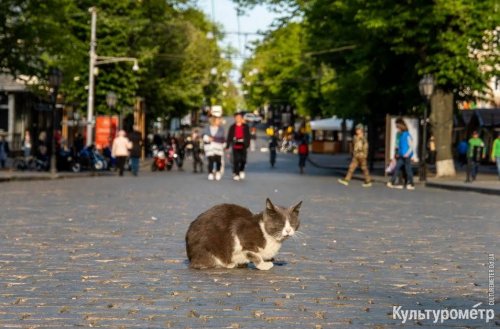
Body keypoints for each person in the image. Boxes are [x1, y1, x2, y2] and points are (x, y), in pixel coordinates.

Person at [387, 118, 415, 190]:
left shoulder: (406, 135)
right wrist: (398, 153)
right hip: (401, 155)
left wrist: (407, 153)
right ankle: (392, 181)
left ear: (401, 127)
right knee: (397, 168)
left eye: (397, 127)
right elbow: (400, 146)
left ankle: (411, 183)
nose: (397, 129)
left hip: (406, 156)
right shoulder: (401, 135)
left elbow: (411, 145)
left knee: (408, 169)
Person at [226, 112, 251, 181]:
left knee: (243, 160)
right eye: (236, 118)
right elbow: (229, 137)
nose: (238, 119)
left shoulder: (245, 126)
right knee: (236, 160)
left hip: (243, 145)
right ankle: (236, 173)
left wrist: (247, 143)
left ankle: (241, 170)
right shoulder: (232, 127)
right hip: (235, 146)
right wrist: (227, 146)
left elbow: (248, 136)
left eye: (239, 118)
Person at [203, 115, 225, 181]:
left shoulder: (221, 129)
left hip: (218, 147)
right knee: (211, 160)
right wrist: (208, 138)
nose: (219, 121)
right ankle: (210, 173)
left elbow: (222, 138)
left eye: (219, 120)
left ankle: (218, 172)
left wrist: (215, 139)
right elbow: (204, 136)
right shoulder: (208, 128)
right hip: (210, 147)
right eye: (217, 120)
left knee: (218, 160)